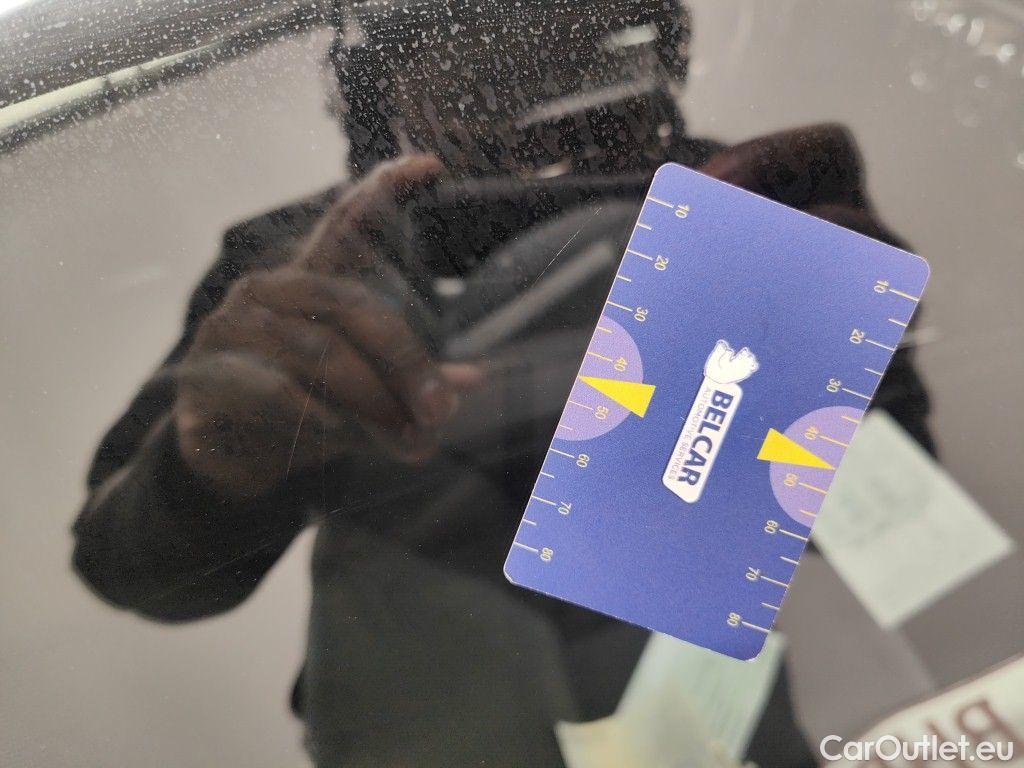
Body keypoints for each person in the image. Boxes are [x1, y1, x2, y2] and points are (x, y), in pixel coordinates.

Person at [71, 1, 932, 765]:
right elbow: (132, 569)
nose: (550, 127)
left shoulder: (726, 204)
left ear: (655, 62)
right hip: (443, 710)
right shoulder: (313, 255)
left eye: (595, 66)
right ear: (385, 96)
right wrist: (214, 451)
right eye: (482, 84)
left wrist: (855, 349)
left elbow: (892, 524)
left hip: (689, 712)